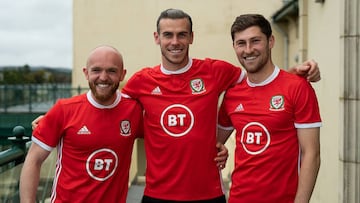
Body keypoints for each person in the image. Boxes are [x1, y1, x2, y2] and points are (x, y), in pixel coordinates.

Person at [121, 8, 321, 203]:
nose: (175, 42)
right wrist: (217, 148)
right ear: (157, 38)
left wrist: (292, 77)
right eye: (168, 35)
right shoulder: (140, 81)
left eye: (182, 34)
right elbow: (111, 109)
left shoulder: (216, 71)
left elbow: (265, 80)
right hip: (161, 194)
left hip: (211, 194)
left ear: (191, 37)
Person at [217, 14, 322, 203]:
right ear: (234, 47)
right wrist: (219, 149)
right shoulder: (232, 95)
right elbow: (212, 142)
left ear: (270, 41)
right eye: (241, 43)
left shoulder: (298, 87)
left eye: (255, 41)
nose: (248, 49)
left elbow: (311, 154)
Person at [19, 45, 144, 203]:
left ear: (122, 74)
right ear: (86, 73)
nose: (103, 77)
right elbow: (33, 160)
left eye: (111, 71)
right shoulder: (64, 110)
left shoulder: (133, 110)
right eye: (96, 70)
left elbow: (163, 134)